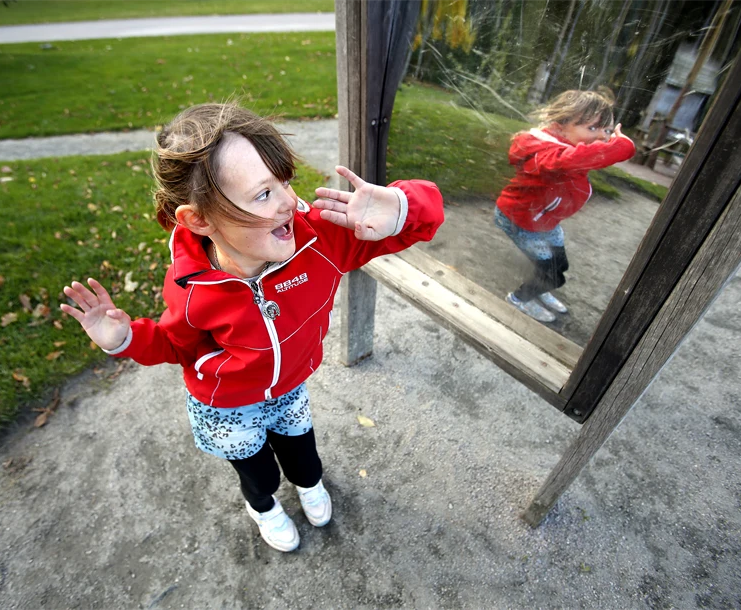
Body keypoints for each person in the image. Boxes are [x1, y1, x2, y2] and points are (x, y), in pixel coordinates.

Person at [60, 103, 444, 552]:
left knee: (304, 457)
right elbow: (176, 344)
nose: (289, 202)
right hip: (227, 407)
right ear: (199, 220)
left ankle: (310, 485)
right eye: (263, 194)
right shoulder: (191, 288)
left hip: (289, 389)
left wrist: (401, 207)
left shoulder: (319, 240)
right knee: (258, 475)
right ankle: (263, 508)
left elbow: (422, 221)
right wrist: (125, 339)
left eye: (284, 181)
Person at [494, 88, 635, 323]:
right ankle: (520, 299)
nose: (603, 137)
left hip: (544, 221)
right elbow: (580, 158)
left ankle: (540, 287)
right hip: (522, 221)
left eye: (607, 130)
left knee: (559, 264)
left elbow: (583, 157)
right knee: (552, 274)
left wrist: (602, 139)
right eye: (593, 128)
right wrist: (622, 146)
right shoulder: (549, 155)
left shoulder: (565, 149)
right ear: (559, 127)